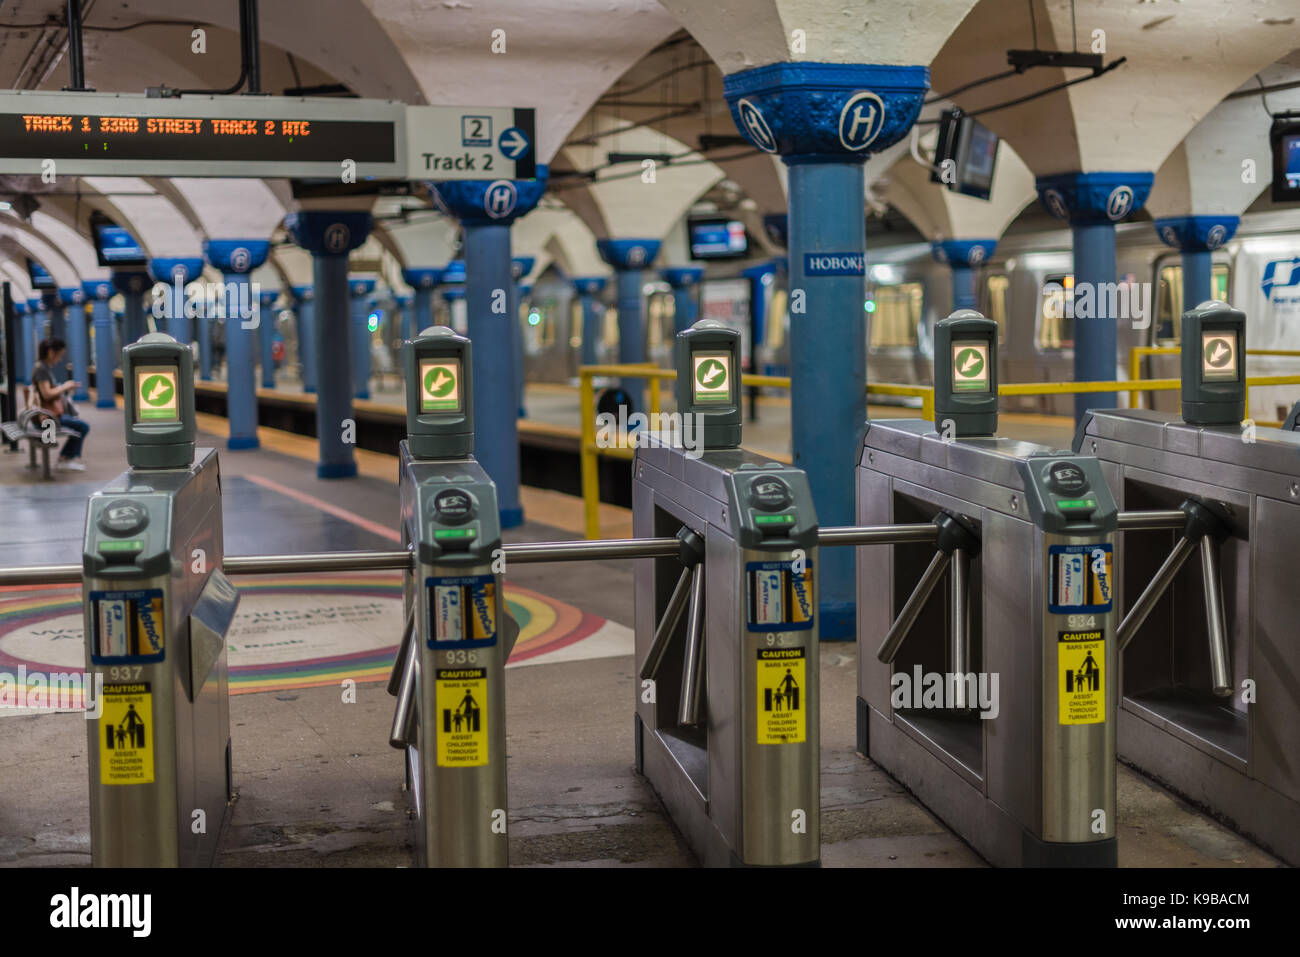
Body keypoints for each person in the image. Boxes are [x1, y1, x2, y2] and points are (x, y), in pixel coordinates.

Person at [31, 338, 90, 472]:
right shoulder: (42, 369)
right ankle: (65, 459)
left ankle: (65, 458)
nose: (60, 359)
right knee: (82, 427)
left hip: (48, 416)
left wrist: (65, 388)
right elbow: (46, 394)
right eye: (60, 355)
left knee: (80, 426)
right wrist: (65, 386)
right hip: (48, 419)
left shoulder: (42, 367)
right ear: (51, 352)